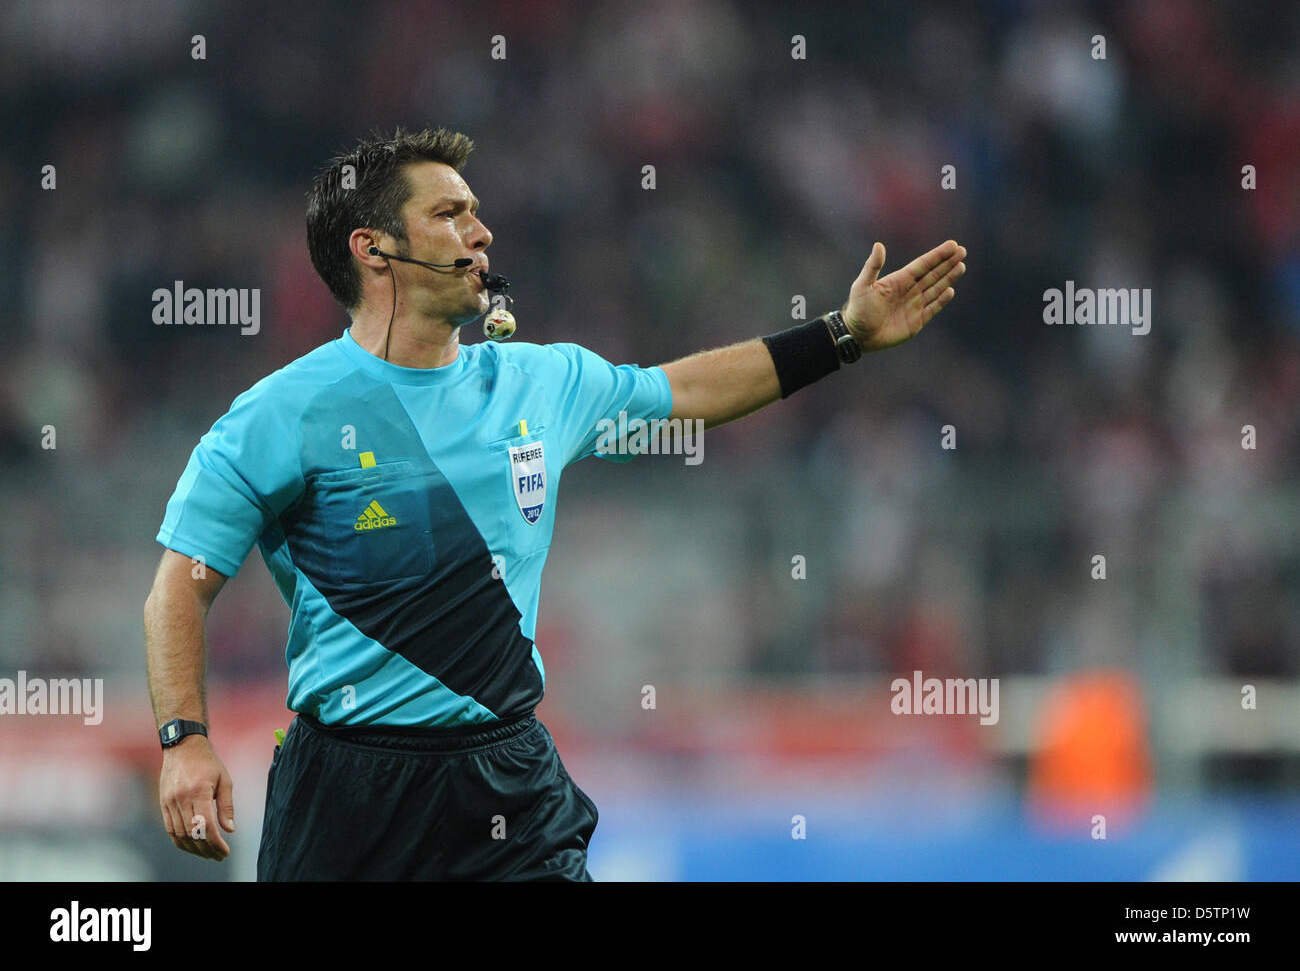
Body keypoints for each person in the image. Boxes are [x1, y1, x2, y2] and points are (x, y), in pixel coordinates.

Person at [143, 126, 966, 881]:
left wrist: (841, 335)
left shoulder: (544, 382)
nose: (482, 232)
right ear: (375, 249)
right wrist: (184, 741)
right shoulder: (283, 412)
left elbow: (686, 391)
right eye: (451, 213)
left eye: (478, 211)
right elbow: (180, 584)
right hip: (348, 791)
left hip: (507, 780)